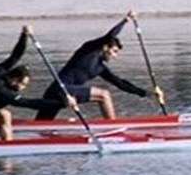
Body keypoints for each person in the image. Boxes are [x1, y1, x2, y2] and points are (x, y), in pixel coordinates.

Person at [34, 10, 165, 121]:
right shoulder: (88, 50)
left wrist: (148, 93)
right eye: (114, 51)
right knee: (104, 94)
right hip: (59, 89)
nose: (115, 56)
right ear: (105, 47)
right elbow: (110, 35)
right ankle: (113, 127)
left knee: (40, 125)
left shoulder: (100, 68)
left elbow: (121, 84)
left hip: (64, 94)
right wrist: (126, 20)